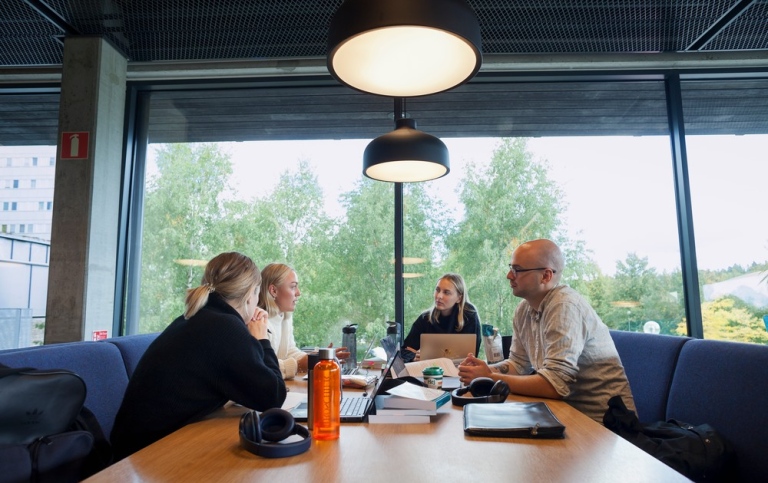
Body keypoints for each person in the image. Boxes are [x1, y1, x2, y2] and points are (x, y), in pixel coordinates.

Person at [111, 252, 286, 460]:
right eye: (258, 293)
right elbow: (273, 396)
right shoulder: (225, 327)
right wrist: (261, 339)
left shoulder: (199, 317)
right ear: (250, 295)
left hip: (134, 444)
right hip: (146, 454)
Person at [458, 239, 635, 423]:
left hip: (605, 424)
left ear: (546, 276)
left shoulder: (564, 306)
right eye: (511, 268)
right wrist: (485, 371)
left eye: (517, 270)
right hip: (563, 412)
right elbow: (519, 365)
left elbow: (554, 386)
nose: (509, 276)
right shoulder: (523, 309)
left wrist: (491, 378)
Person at [258, 263, 349, 379]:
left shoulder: (285, 316)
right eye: (293, 287)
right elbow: (265, 368)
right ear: (273, 291)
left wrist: (315, 358)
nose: (298, 293)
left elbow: (290, 351)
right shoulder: (258, 323)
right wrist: (303, 363)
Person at [402, 273, 481, 363]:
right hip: (427, 373)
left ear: (459, 298)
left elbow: (471, 356)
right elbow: (405, 350)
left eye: (446, 292)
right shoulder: (425, 318)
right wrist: (414, 357)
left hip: (459, 373)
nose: (439, 296)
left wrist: (433, 357)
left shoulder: (469, 316)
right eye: (437, 290)